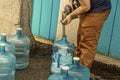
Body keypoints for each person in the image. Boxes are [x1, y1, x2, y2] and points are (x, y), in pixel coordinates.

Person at [62, 0, 111, 69]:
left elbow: (86, 7)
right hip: (88, 7)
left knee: (87, 43)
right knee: (81, 37)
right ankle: (76, 66)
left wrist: (71, 15)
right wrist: (70, 3)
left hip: (97, 10)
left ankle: (82, 73)